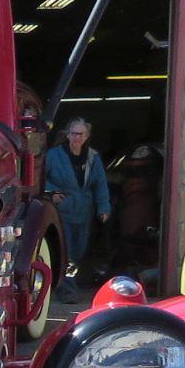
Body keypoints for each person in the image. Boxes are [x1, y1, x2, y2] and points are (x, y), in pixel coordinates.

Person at [44, 115, 111, 288]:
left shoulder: (93, 157)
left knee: (79, 250)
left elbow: (100, 184)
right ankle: (67, 289)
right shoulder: (54, 155)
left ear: (87, 136)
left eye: (81, 134)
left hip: (84, 210)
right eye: (74, 134)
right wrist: (53, 192)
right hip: (62, 210)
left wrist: (103, 207)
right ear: (67, 135)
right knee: (67, 250)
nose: (77, 138)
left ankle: (66, 282)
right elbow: (40, 178)